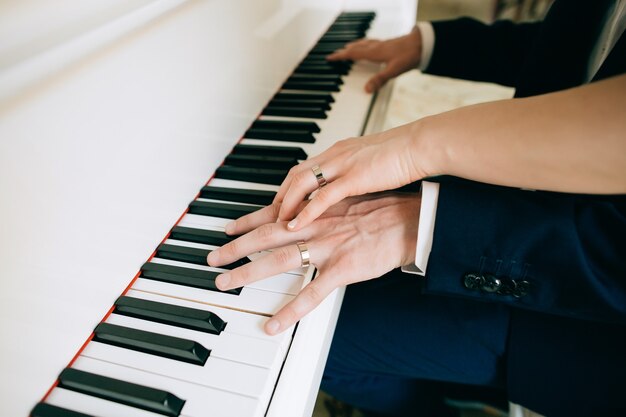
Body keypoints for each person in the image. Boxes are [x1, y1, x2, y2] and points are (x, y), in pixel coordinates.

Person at [208, 1, 626, 415]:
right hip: (539, 201)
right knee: (333, 217)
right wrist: (430, 43)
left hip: (587, 325)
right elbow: (589, 49)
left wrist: (418, 223)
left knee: (296, 330)